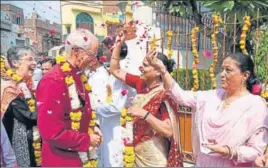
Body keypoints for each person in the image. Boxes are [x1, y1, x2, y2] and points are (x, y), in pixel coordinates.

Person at [146, 51, 268, 166]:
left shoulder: (255, 105)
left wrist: (229, 151)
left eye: (228, 70)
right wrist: (163, 70)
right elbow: (180, 96)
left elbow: (256, 150)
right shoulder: (212, 96)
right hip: (204, 162)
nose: (222, 74)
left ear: (245, 75)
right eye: (222, 70)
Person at [109, 30, 183, 167]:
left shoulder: (163, 94)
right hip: (135, 152)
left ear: (157, 71)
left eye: (146, 65)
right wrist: (118, 44)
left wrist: (145, 114)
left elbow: (168, 130)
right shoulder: (140, 83)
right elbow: (115, 70)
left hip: (152, 157)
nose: (140, 67)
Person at [36, 29, 103, 167]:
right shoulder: (54, 80)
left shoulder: (78, 75)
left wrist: (93, 126)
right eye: (92, 54)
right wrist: (87, 139)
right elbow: (51, 132)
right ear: (77, 51)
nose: (94, 60)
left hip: (80, 157)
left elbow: (83, 111)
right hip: (62, 160)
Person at [89, 37, 136, 167]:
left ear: (114, 50)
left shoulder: (122, 74)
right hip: (108, 125)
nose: (103, 53)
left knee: (115, 160)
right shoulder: (113, 73)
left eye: (106, 49)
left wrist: (92, 109)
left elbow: (116, 107)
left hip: (117, 127)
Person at [2, 46, 40, 167]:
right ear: (15, 63)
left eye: (34, 59)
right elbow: (28, 116)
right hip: (17, 144)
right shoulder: (9, 88)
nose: (34, 63)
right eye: (29, 59)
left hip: (34, 140)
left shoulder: (30, 84)